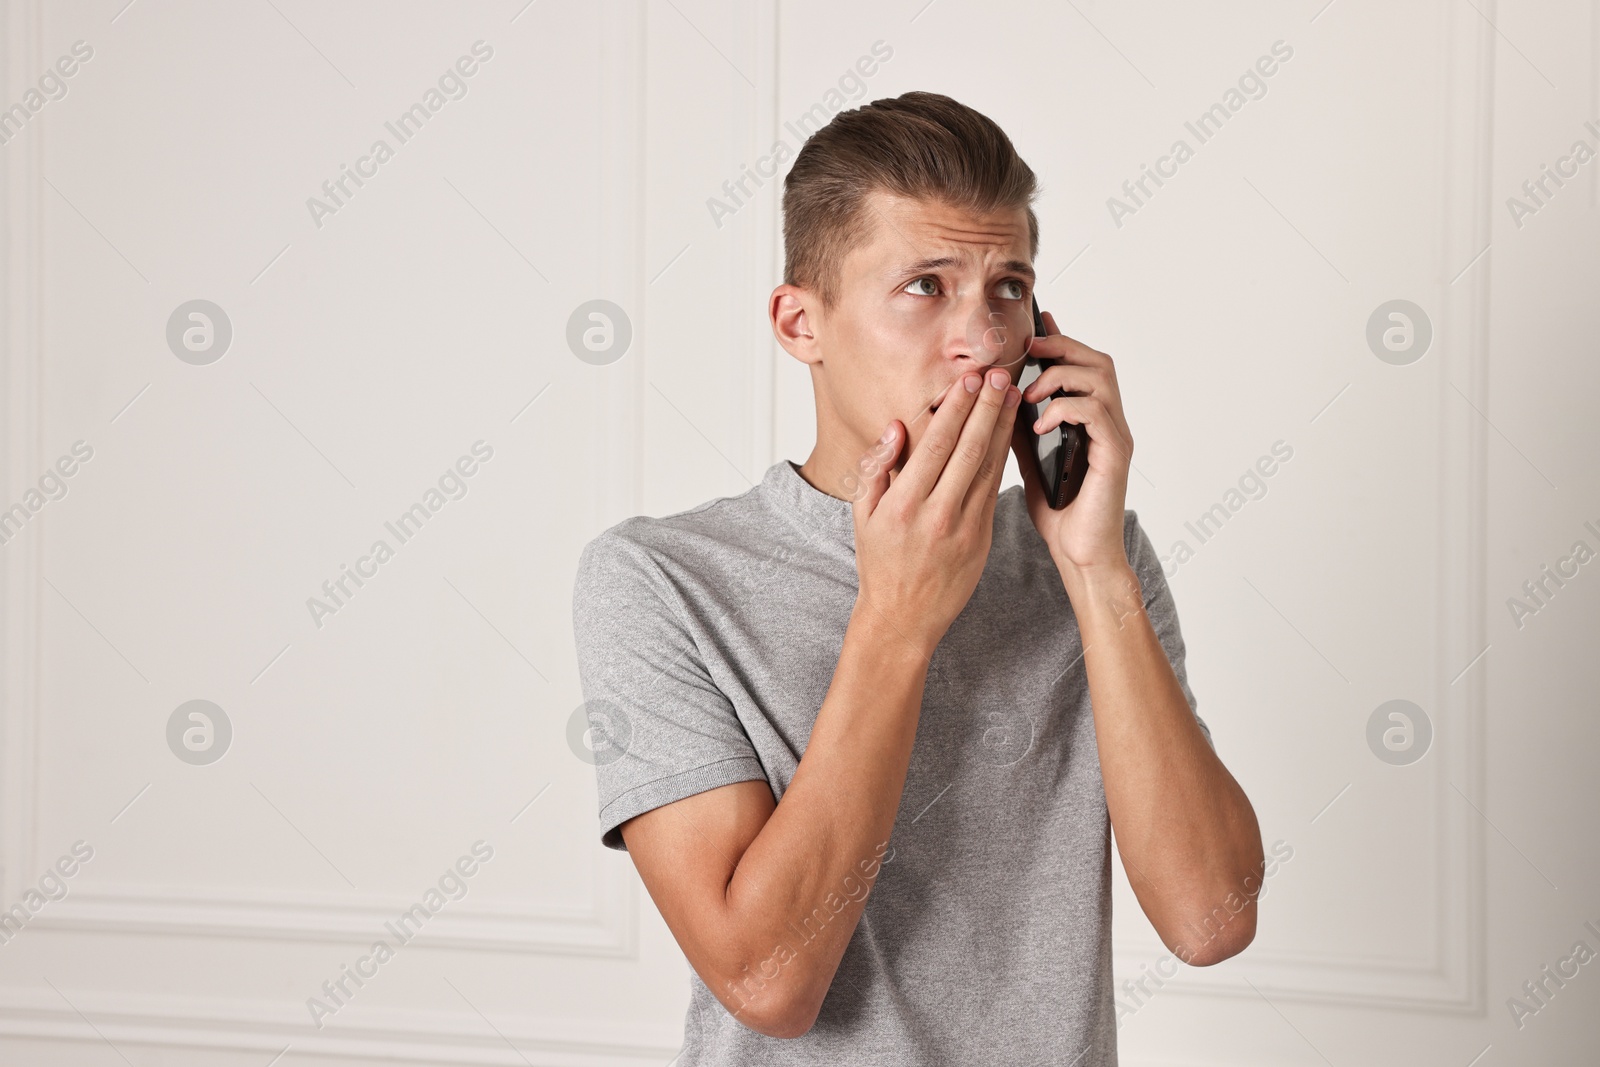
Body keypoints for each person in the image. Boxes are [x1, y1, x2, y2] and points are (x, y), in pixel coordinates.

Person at [571, 90, 1263, 1064]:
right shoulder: (661, 579)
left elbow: (1210, 918)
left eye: (1008, 287)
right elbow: (768, 981)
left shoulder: (1093, 555)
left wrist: (1094, 567)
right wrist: (898, 612)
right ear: (800, 322)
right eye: (925, 286)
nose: (980, 340)